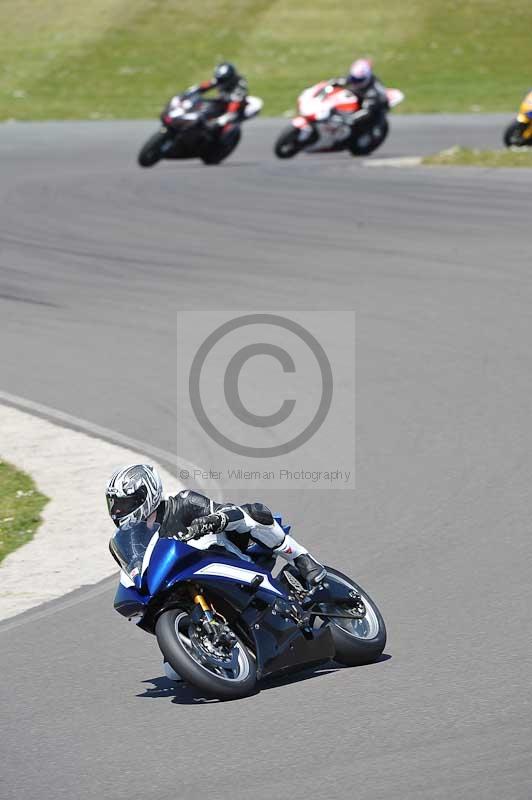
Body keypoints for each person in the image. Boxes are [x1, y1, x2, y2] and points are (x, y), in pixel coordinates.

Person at [106, 463, 326, 586]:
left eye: (125, 503)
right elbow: (135, 568)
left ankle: (301, 558)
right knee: (173, 669)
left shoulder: (182, 502)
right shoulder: (132, 537)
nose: (118, 511)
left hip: (230, 558)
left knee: (253, 513)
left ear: (147, 494)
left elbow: (226, 510)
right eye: (115, 504)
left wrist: (212, 521)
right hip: (183, 582)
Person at [182, 62, 249, 129]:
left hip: (236, 110)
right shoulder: (220, 79)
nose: (220, 81)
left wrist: (223, 119)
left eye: (222, 80)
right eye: (219, 79)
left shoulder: (239, 85)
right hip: (223, 101)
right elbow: (206, 86)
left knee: (226, 126)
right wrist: (190, 91)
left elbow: (234, 105)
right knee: (204, 105)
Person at [332, 58, 389, 130]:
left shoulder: (373, 92)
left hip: (374, 108)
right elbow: (341, 81)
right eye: (353, 78)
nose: (354, 81)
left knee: (360, 130)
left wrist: (349, 119)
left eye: (358, 80)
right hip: (360, 96)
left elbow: (367, 111)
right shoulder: (354, 77)